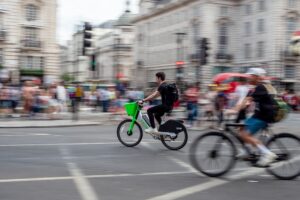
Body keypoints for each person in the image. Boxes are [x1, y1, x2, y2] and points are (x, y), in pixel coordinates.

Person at [237, 68, 278, 167]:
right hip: (260, 114)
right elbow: (246, 101)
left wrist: (234, 110)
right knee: (241, 128)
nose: (248, 77)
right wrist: (239, 108)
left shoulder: (261, 87)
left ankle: (268, 154)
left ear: (257, 77)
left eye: (250, 76)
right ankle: (246, 150)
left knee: (246, 135)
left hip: (264, 116)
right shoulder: (258, 87)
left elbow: (248, 100)